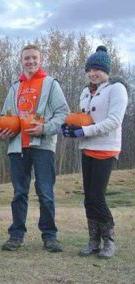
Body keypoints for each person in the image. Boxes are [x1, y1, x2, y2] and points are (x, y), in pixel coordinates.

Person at [0, 44, 69, 252]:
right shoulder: (14, 87)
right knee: (19, 192)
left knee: (45, 191)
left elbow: (63, 113)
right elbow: (5, 117)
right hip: (17, 147)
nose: (30, 62)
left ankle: (50, 236)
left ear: (40, 59)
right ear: (21, 61)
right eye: (26, 58)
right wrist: (4, 133)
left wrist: (45, 128)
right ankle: (16, 235)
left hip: (43, 146)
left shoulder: (50, 84)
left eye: (34, 58)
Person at [62, 46, 128, 259]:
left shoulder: (116, 89)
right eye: (89, 69)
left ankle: (109, 239)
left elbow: (113, 121)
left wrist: (84, 130)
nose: (92, 73)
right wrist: (72, 129)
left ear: (106, 70)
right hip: (87, 147)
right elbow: (86, 118)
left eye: (97, 69)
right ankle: (93, 240)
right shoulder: (85, 91)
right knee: (89, 198)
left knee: (98, 196)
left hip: (106, 148)